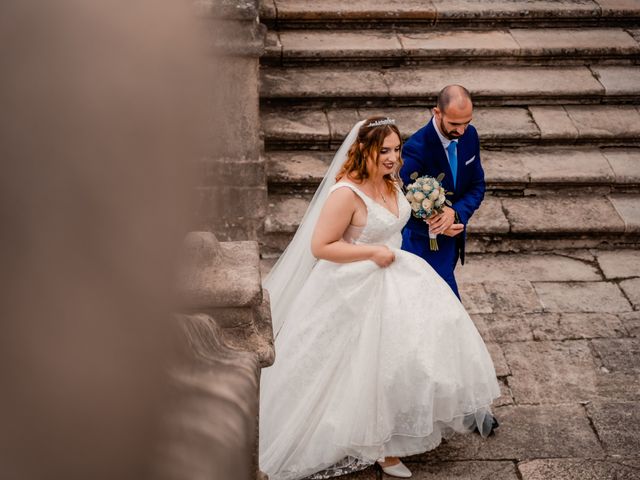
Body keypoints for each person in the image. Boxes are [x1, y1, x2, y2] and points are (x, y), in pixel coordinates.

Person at [260, 117, 500, 480]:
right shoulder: (346, 193)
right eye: (383, 150)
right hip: (352, 284)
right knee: (363, 364)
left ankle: (394, 432)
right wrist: (371, 254)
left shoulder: (392, 183)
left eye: (396, 149)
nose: (392, 158)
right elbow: (322, 246)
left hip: (398, 275)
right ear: (363, 151)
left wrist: (442, 222)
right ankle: (377, 446)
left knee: (404, 358)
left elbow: (397, 221)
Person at [400, 85, 485, 299]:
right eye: (455, 124)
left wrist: (454, 213)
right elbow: (397, 206)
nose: (462, 131)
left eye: (467, 122)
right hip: (422, 246)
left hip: (452, 243)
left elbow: (477, 185)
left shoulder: (470, 136)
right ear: (437, 113)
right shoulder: (415, 149)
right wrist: (436, 226)